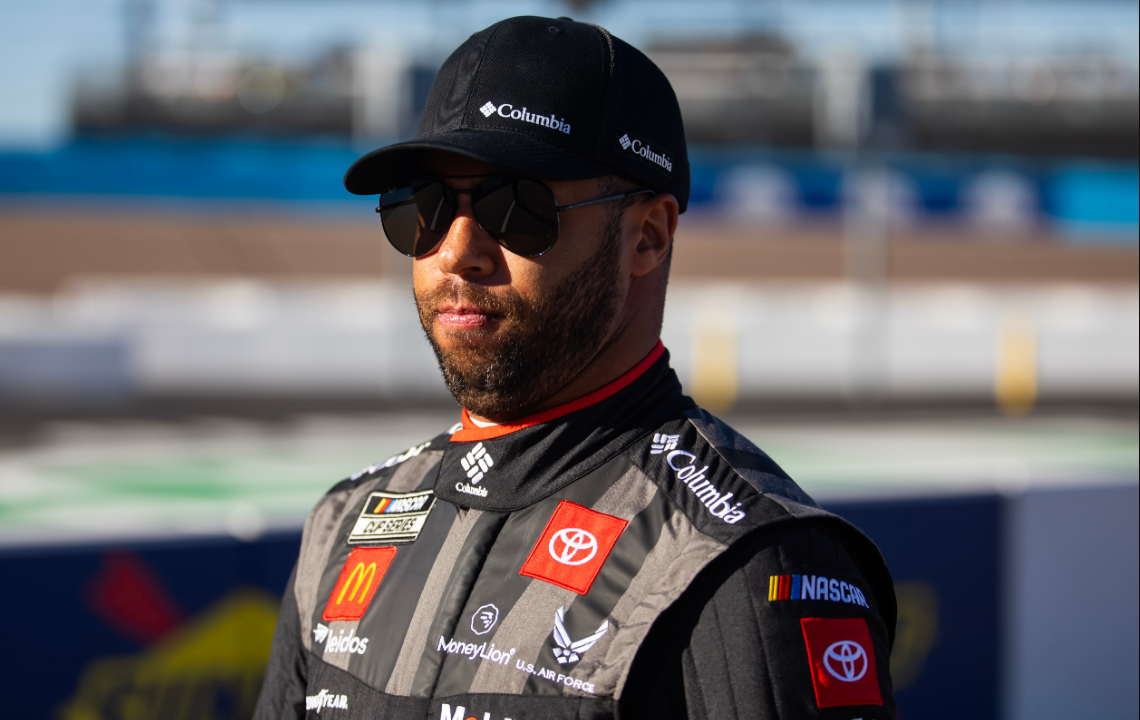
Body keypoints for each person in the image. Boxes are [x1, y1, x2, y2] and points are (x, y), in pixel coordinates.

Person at [255, 15, 895, 720]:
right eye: (424, 207)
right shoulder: (346, 525)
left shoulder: (739, 563)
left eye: (516, 206)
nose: (455, 251)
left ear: (646, 237)